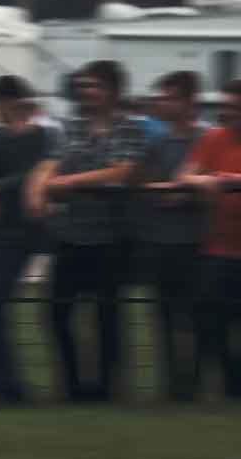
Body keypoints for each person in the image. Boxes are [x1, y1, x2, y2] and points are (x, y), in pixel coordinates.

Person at [26, 60, 146, 402]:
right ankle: (73, 385)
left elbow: (121, 172)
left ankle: (106, 388)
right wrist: (38, 191)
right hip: (70, 235)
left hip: (111, 237)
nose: (87, 92)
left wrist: (67, 182)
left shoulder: (129, 129)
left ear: (114, 91)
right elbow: (47, 166)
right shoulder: (70, 128)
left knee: (107, 315)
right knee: (56, 313)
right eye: (84, 86)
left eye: (95, 86)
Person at [0, 76, 57, 405]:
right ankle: (3, 386)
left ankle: (6, 387)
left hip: (22, 230)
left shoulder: (40, 136)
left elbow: (33, 173)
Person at [136, 71, 207, 402]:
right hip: (161, 240)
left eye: (170, 98)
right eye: (162, 97)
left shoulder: (206, 139)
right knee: (163, 315)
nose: (162, 103)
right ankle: (171, 383)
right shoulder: (157, 143)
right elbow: (145, 185)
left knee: (196, 316)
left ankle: (194, 381)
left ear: (189, 101)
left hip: (197, 241)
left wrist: (178, 195)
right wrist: (171, 194)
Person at [177, 80, 241, 399]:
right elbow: (184, 175)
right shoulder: (212, 138)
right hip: (216, 248)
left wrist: (230, 179)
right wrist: (203, 181)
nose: (228, 112)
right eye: (226, 106)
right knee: (211, 322)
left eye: (235, 107)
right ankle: (227, 385)